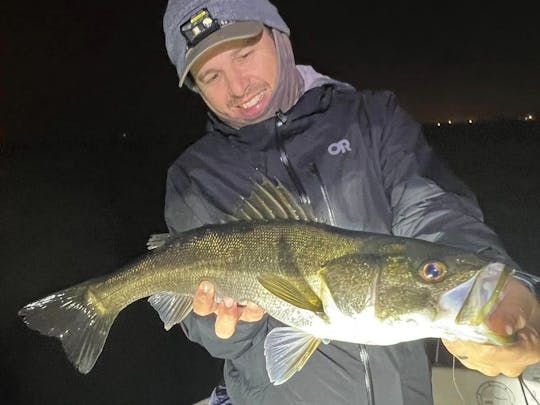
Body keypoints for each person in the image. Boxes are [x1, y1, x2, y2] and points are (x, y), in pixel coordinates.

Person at [161, 0, 540, 403]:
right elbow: (211, 335)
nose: (237, 87)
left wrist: (509, 285)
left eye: (245, 54)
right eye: (211, 75)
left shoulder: (373, 119)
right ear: (195, 87)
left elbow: (431, 210)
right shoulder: (194, 178)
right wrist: (232, 324)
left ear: (279, 38)